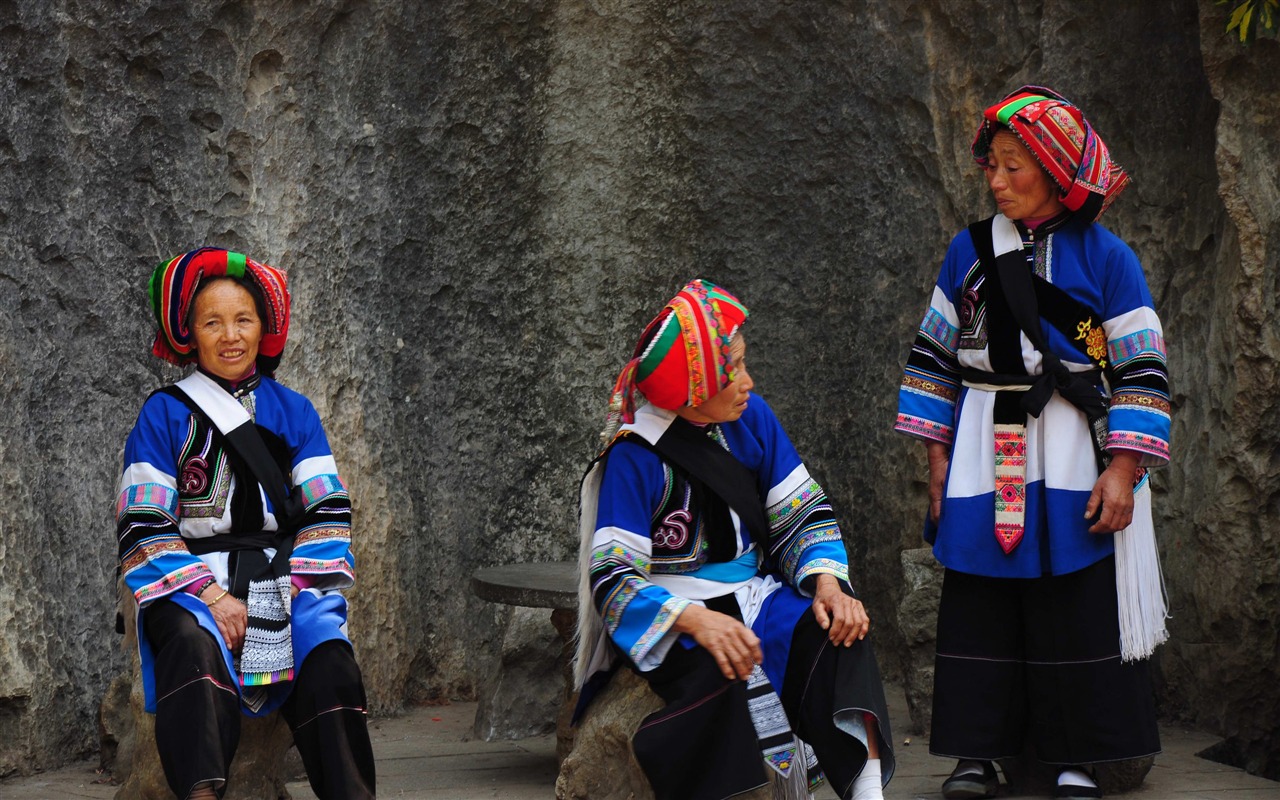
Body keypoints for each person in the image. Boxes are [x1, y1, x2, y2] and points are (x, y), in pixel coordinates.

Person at [895, 86, 1171, 800]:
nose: (996, 180)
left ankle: (1076, 756)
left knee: (1075, 602)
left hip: (1076, 448)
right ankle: (974, 754)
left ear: (1055, 170)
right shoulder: (969, 251)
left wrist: (1123, 468)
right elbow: (934, 357)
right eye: (992, 165)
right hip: (985, 446)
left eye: (1013, 166)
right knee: (979, 597)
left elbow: (1141, 368)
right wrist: (936, 460)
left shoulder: (1109, 260)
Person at [573, 279, 894, 800]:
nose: (747, 381)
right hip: (676, 611)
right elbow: (613, 578)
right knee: (722, 675)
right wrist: (698, 621)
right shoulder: (635, 455)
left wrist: (830, 585)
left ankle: (868, 791)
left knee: (838, 631)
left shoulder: (752, 419)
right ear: (693, 388)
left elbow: (802, 512)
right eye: (734, 369)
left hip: (754, 593)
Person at [116, 247, 376, 799]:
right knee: (189, 645)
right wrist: (213, 596)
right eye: (212, 322)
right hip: (191, 585)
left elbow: (326, 514)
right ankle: (203, 794)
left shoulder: (295, 412)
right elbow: (143, 524)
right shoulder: (163, 414)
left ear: (264, 329)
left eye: (243, 320)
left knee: (328, 659)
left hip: (286, 579)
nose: (229, 335)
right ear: (190, 333)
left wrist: (282, 596)